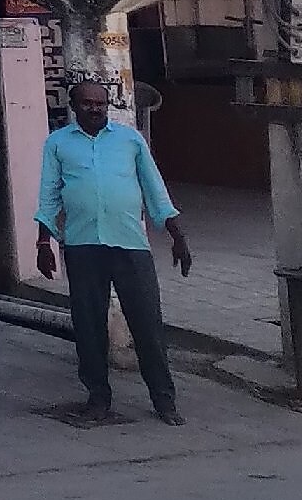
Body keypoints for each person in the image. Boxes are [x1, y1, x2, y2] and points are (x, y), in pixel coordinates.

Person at [34, 76, 192, 426]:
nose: (95, 109)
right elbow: (49, 194)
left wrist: (177, 236)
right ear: (73, 107)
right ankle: (97, 398)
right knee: (89, 326)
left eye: (100, 103)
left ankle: (164, 400)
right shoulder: (57, 144)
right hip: (82, 245)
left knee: (147, 323)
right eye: (87, 103)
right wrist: (44, 242)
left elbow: (155, 189)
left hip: (130, 244)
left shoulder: (130, 140)